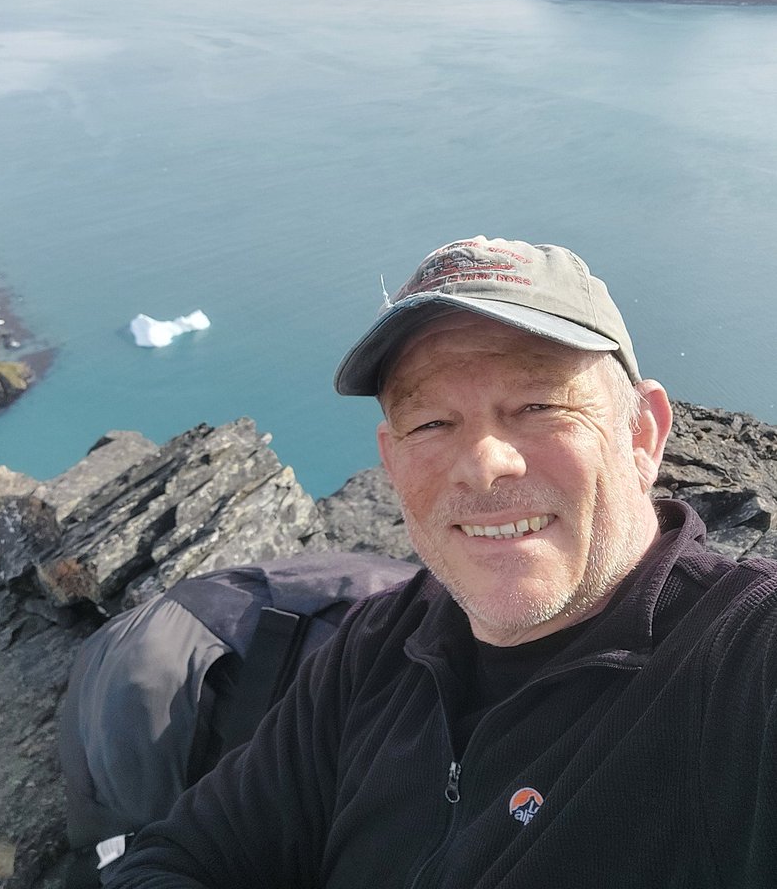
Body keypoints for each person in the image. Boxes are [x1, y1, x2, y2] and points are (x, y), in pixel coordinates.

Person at [109, 234, 777, 889]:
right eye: (430, 423)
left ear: (642, 434)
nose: (483, 465)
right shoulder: (376, 649)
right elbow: (177, 858)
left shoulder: (740, 662)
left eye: (538, 405)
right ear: (391, 460)